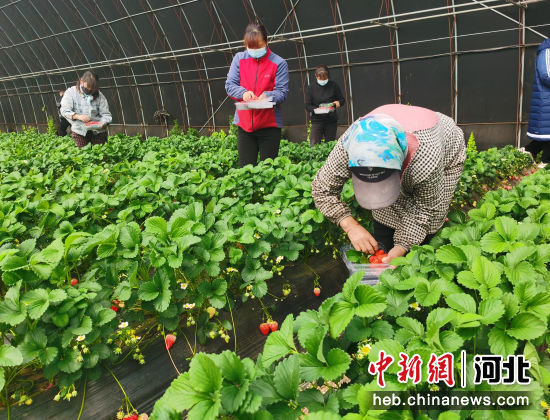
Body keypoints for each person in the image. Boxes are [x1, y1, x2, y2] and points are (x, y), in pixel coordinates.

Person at [312, 104, 466, 264]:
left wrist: (402, 246)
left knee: (431, 218)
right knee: (385, 210)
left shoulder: (427, 156)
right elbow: (322, 189)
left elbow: (426, 208)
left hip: (445, 148)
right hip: (399, 142)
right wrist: (350, 225)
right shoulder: (351, 144)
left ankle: (420, 260)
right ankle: (386, 247)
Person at [225, 22, 289, 167]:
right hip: (245, 125)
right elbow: (230, 85)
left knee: (268, 170)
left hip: (270, 125)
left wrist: (267, 96)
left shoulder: (279, 63)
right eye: (250, 46)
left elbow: (282, 91)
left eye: (258, 46)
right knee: (246, 169)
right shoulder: (239, 59)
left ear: (266, 41)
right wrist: (244, 93)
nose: (254, 50)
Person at [60, 71, 112, 148]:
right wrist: (78, 116)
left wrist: (104, 122)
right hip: (79, 130)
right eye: (88, 87)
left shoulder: (100, 95)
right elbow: (64, 110)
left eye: (92, 89)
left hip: (98, 131)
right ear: (81, 81)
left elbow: (106, 114)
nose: (90, 90)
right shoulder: (71, 92)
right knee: (83, 155)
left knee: (100, 154)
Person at [305, 65, 345, 146]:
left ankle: (329, 158)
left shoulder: (334, 85)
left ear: (328, 76)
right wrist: (317, 109)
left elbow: (342, 100)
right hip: (317, 120)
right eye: (320, 78)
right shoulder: (311, 88)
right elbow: (307, 105)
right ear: (316, 76)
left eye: (325, 78)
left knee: (330, 144)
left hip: (331, 120)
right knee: (314, 144)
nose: (323, 80)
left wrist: (336, 103)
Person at [525, 37, 550, 163]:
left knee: (546, 137)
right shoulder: (547, 51)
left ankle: (527, 154)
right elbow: (546, 75)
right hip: (546, 101)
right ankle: (544, 166)